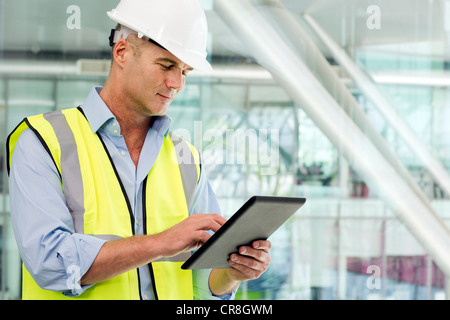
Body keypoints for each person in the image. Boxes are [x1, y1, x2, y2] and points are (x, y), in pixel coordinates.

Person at [6, 0, 272, 300]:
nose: (176, 83)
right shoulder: (43, 142)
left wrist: (232, 274)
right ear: (122, 51)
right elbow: (51, 264)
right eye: (166, 65)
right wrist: (160, 243)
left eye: (185, 71)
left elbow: (201, 286)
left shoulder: (186, 160)